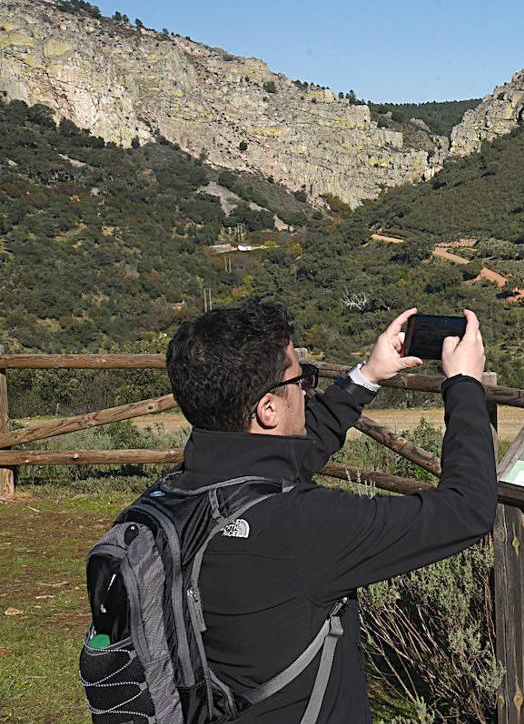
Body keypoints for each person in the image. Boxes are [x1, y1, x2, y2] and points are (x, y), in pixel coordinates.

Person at [162, 300, 497, 722]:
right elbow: (466, 508)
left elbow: (281, 455)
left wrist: (368, 376)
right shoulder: (304, 528)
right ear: (267, 409)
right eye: (301, 380)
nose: (307, 390)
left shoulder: (177, 495)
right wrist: (465, 385)